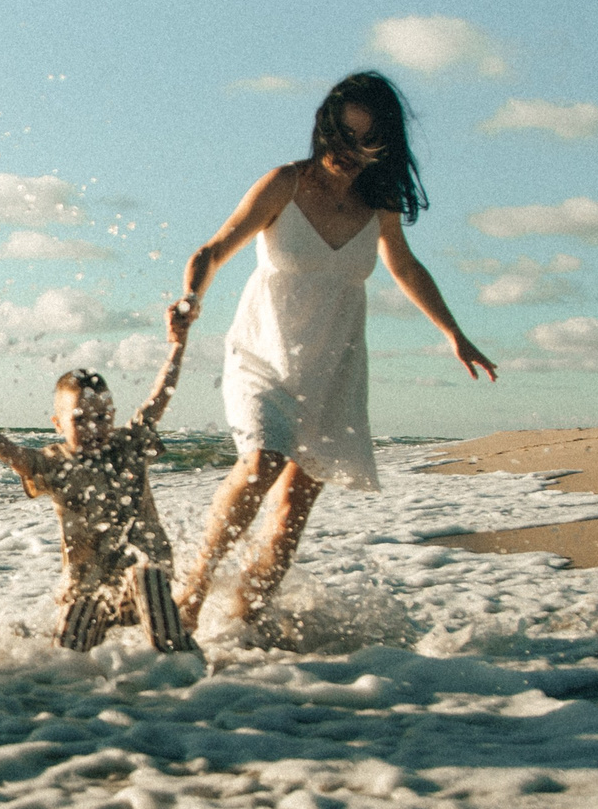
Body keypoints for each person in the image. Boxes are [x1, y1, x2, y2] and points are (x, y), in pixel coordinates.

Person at [174, 70, 496, 630]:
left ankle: (243, 626)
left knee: (292, 513)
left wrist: (454, 332)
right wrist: (188, 300)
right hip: (263, 353)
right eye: (342, 136)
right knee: (259, 466)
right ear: (325, 129)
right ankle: (191, 594)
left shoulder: (380, 203)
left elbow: (404, 264)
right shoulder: (285, 184)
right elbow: (215, 247)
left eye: (365, 140)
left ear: (384, 144)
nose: (349, 152)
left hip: (333, 366)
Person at [0, 298, 202, 656]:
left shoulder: (129, 445)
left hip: (144, 586)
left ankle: (184, 667)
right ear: (58, 424)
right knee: (67, 660)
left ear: (113, 416)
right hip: (89, 587)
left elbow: (160, 395)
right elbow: (13, 455)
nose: (93, 428)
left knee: (147, 572)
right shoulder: (55, 463)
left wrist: (178, 345)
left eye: (102, 418)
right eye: (80, 419)